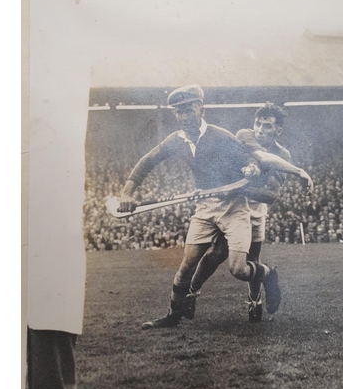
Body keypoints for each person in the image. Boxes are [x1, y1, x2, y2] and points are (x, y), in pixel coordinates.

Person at [26, 0, 111, 389]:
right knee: (52, 275)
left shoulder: (39, 13)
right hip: (43, 160)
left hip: (38, 158)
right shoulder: (55, 16)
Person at [119, 84, 282, 329]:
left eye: (188, 109)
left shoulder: (219, 135)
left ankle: (268, 275)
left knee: (238, 269)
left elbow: (249, 158)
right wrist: (127, 193)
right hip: (205, 207)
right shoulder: (176, 140)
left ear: (200, 108)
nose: (183, 116)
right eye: (178, 111)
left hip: (233, 207)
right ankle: (173, 316)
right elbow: (148, 160)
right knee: (187, 265)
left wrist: (251, 167)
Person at [189, 103, 313, 322]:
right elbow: (260, 158)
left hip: (254, 206)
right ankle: (191, 292)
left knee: (253, 258)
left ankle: (254, 303)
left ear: (278, 131)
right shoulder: (244, 135)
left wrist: (238, 189)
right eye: (258, 123)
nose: (259, 130)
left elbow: (272, 195)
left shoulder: (283, 154)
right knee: (217, 253)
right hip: (233, 205)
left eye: (266, 126)